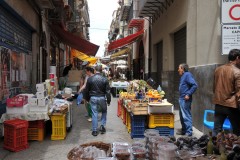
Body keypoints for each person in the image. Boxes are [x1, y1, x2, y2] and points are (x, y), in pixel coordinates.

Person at [213, 49, 240, 136]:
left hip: (219, 104)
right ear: (237, 58)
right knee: (237, 131)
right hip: (232, 106)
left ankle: (214, 148)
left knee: (217, 130)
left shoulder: (218, 70)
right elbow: (239, 92)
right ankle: (236, 149)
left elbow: (214, 88)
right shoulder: (237, 72)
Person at [85, 65, 111, 136]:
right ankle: (102, 126)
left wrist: (87, 99)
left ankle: (95, 130)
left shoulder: (90, 79)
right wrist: (108, 101)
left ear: (95, 70)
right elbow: (108, 91)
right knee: (104, 111)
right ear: (101, 70)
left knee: (94, 113)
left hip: (93, 98)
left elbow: (87, 90)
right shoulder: (105, 79)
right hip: (102, 98)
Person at [176, 63, 198, 136]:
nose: (178, 70)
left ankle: (189, 132)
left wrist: (188, 94)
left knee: (186, 115)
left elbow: (194, 85)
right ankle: (184, 130)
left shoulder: (187, 75)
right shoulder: (183, 76)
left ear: (182, 69)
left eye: (179, 68)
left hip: (185, 99)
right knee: (182, 116)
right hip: (181, 98)